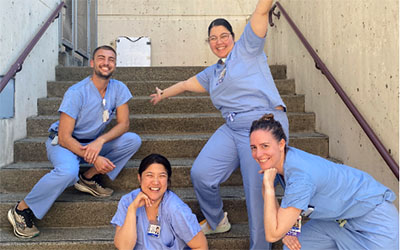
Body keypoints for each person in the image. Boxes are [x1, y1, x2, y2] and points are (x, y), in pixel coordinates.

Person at [150, 1, 287, 249]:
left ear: (234, 37)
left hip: (262, 123)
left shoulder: (248, 48)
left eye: (224, 35)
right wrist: (163, 94)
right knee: (201, 173)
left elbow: (260, 11)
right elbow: (184, 84)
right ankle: (217, 220)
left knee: (257, 193)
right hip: (232, 128)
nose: (219, 41)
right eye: (213, 38)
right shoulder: (213, 73)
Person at [7, 45, 142, 238]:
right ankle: (21, 209)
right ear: (92, 63)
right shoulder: (76, 92)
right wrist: (95, 158)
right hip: (64, 143)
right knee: (68, 172)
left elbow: (124, 124)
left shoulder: (119, 88)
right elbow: (64, 137)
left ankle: (87, 179)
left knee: (132, 140)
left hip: (92, 141)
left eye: (111, 59)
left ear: (115, 64)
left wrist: (100, 141)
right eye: (101, 58)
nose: (106, 63)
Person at [249, 114, 399, 250]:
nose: (258, 154)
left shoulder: (300, 176)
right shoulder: (280, 162)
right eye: (254, 148)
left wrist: (268, 188)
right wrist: (289, 230)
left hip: (373, 222)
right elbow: (295, 204)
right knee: (294, 248)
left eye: (265, 146)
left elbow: (272, 235)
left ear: (281, 144)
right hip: (336, 221)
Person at [111, 154, 208, 250]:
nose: (156, 182)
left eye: (162, 176)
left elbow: (201, 246)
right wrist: (132, 209)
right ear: (139, 178)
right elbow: (124, 247)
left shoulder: (176, 208)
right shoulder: (127, 201)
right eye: (149, 175)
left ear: (167, 180)